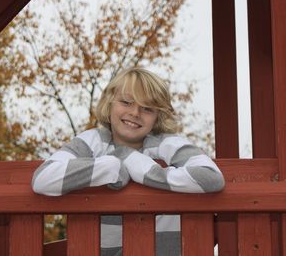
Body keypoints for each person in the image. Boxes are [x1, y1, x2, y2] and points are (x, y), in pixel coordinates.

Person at [32, 67, 225, 255]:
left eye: (147, 108)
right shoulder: (93, 141)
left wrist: (133, 161)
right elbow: (42, 179)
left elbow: (211, 178)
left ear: (158, 117)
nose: (135, 112)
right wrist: (112, 166)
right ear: (110, 103)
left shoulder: (167, 143)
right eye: (126, 102)